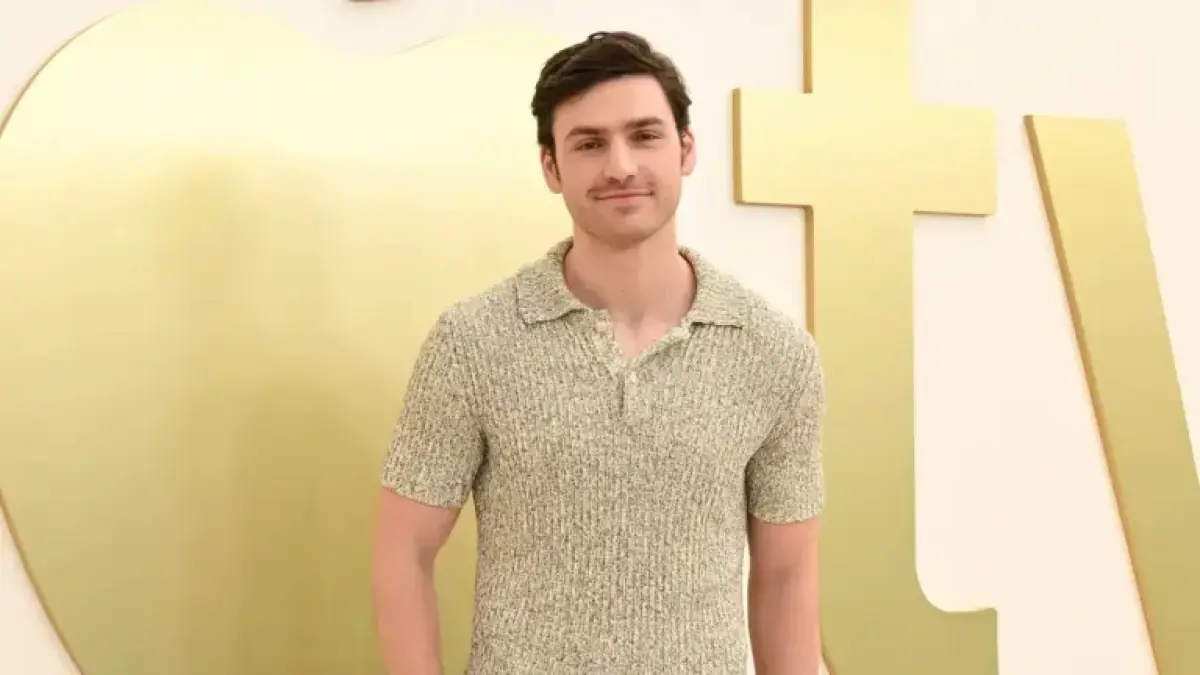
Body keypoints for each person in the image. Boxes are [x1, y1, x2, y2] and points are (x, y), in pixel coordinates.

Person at [371, 30, 825, 675]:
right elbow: (403, 551)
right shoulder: (472, 342)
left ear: (686, 149)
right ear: (551, 167)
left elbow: (786, 577)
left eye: (644, 135)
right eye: (589, 143)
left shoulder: (775, 354)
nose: (620, 166)